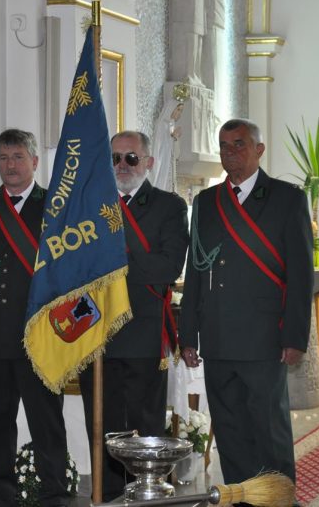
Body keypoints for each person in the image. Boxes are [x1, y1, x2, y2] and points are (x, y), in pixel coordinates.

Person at [179, 118, 313, 490]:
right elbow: (196, 270)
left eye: (238, 145)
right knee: (230, 428)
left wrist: (294, 336)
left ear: (259, 150)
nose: (230, 153)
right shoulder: (206, 202)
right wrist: (188, 334)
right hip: (218, 334)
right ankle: (243, 496)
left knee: (269, 427)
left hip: (264, 337)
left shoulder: (287, 198)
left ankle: (279, 498)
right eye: (224, 146)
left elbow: (301, 275)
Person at [0, 128, 70, 507]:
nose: (11, 166)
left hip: (43, 336)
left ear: (35, 162)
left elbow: (70, 274)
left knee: (46, 419)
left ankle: (55, 489)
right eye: (4, 158)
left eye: (19, 157)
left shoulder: (56, 206)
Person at [79, 130, 189, 501]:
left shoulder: (169, 207)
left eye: (131, 158)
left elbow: (165, 269)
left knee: (145, 428)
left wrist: (119, 232)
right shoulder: (90, 206)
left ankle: (147, 497)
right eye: (114, 158)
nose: (121, 166)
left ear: (149, 162)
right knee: (104, 428)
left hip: (142, 336)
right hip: (96, 336)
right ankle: (109, 497)